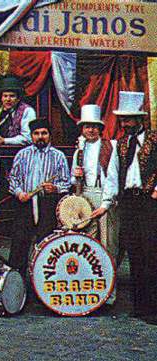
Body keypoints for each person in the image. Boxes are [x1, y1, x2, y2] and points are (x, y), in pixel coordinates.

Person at [92, 91, 157, 323]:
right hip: (128, 202)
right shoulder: (120, 144)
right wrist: (106, 204)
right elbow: (112, 175)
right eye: (122, 120)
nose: (124, 123)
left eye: (128, 119)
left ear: (139, 119)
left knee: (152, 253)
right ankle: (140, 307)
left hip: (149, 201)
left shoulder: (154, 139)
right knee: (134, 253)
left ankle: (154, 308)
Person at [8, 118, 71, 278]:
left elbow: (65, 182)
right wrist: (19, 192)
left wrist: (55, 188)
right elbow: (13, 179)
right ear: (31, 136)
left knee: (46, 247)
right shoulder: (22, 154)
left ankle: (44, 287)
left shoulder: (58, 156)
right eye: (36, 133)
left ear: (49, 135)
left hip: (47, 205)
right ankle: (17, 287)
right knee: (19, 246)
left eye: (44, 133)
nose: (40, 136)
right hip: (26, 204)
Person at [71, 104, 119, 305]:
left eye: (94, 127)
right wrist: (76, 176)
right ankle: (89, 286)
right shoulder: (78, 152)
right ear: (82, 129)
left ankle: (109, 292)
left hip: (104, 196)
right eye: (86, 127)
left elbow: (112, 177)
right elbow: (72, 182)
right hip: (86, 197)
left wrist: (106, 204)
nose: (90, 130)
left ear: (100, 129)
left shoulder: (110, 147)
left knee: (107, 245)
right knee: (87, 243)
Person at [0, 75, 36, 146]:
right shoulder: (0, 111)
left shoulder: (27, 111)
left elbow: (27, 138)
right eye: (5, 96)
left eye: (12, 96)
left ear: (18, 98)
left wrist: (5, 141)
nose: (8, 99)